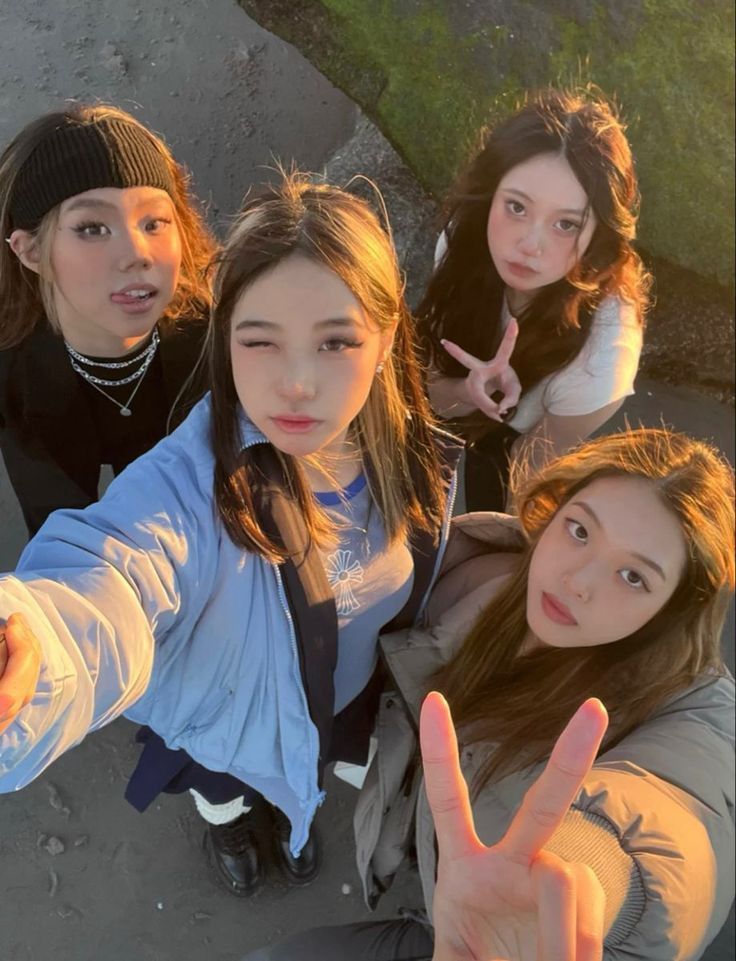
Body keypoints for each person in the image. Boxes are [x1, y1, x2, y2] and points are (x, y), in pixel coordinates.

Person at [0, 172, 460, 898]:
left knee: (299, 772)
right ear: (226, 341)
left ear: (387, 337)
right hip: (223, 720)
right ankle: (233, 824)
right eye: (261, 342)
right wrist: (37, 645)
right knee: (221, 785)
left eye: (336, 341)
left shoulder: (414, 456)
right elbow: (114, 573)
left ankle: (290, 810)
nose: (297, 383)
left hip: (335, 701)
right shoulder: (189, 487)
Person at [240, 427, 735, 960]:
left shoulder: (692, 712)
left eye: (633, 577)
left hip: (487, 940)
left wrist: (578, 876)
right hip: (415, 860)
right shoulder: (471, 570)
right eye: (580, 531)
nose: (578, 581)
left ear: (675, 608)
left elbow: (674, 823)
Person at [417, 88, 649, 511]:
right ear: (491, 194)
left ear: (599, 233)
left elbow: (529, 474)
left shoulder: (603, 356)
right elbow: (426, 390)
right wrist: (470, 392)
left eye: (565, 224)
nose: (530, 245)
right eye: (516, 208)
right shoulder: (462, 242)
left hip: (520, 439)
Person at [0, 104, 215, 535]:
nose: (138, 254)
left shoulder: (217, 337)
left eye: (154, 222)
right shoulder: (13, 369)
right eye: (93, 228)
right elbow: (60, 539)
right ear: (30, 251)